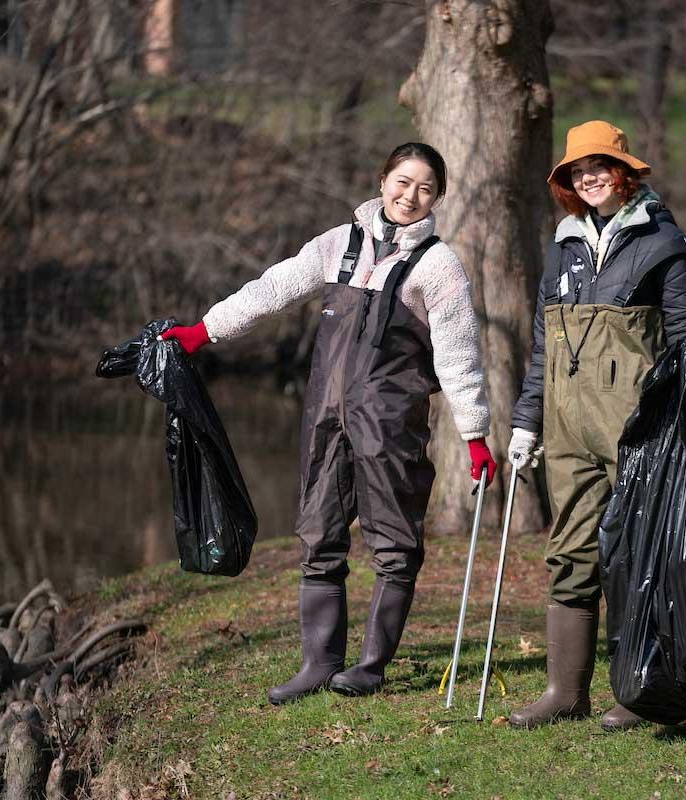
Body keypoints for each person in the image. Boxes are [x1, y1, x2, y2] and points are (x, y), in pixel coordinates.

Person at [160, 143, 497, 703]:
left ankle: (370, 665)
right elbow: (272, 288)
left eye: (425, 189)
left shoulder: (439, 265)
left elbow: (458, 355)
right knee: (318, 534)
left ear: (437, 198)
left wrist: (475, 434)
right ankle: (319, 663)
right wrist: (204, 332)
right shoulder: (337, 244)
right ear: (383, 179)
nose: (410, 196)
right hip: (326, 416)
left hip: (391, 425)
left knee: (393, 544)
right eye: (403, 181)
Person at [505, 120, 686, 731]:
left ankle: (641, 690)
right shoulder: (563, 244)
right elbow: (546, 344)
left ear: (623, 171)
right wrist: (526, 422)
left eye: (598, 165)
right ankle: (566, 691)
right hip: (568, 429)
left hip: (640, 430)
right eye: (576, 170)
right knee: (570, 550)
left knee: (638, 554)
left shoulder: (662, 242)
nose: (588, 176)